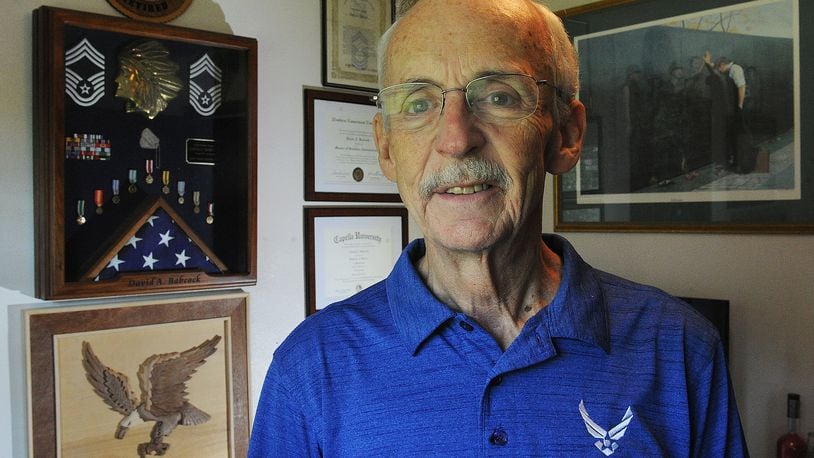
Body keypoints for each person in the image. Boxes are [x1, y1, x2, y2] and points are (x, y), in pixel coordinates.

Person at [249, 0, 748, 455]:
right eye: (418, 104)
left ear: (567, 135)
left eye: (499, 96)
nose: (456, 138)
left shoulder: (680, 349)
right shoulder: (311, 368)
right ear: (385, 148)